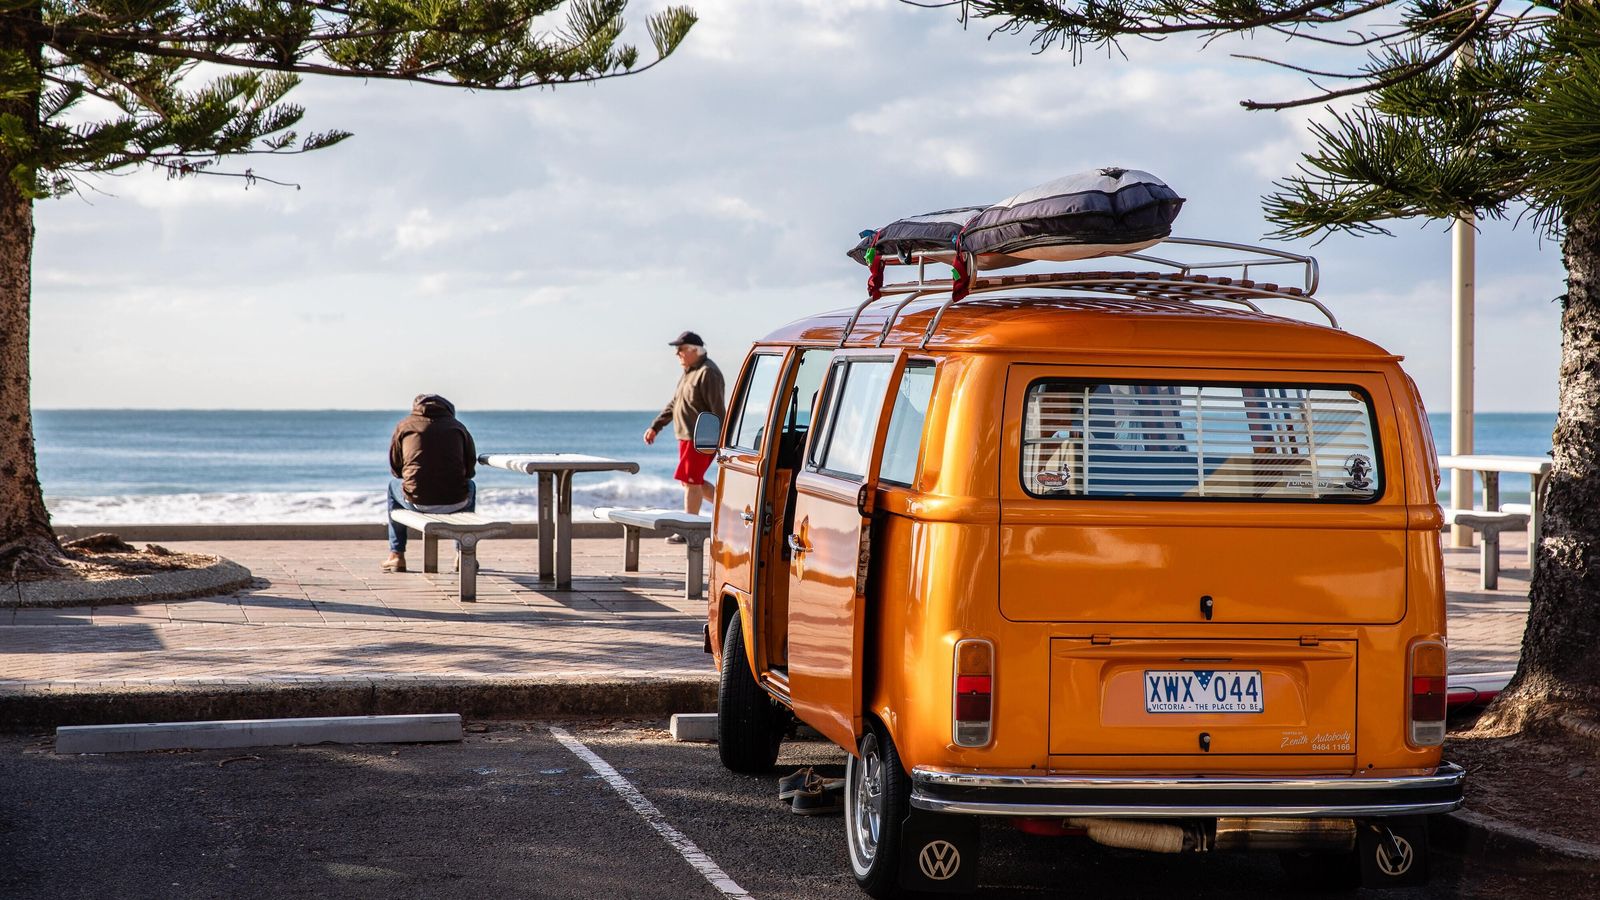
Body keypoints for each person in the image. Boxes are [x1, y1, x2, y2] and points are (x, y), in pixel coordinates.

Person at [643, 330, 725, 535]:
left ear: (694, 350)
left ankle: (688, 531)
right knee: (689, 481)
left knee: (691, 482)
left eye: (680, 349)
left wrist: (722, 439)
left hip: (701, 438)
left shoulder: (708, 372)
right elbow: (675, 403)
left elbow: (718, 409)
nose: (677, 354)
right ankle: (730, 509)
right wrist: (656, 426)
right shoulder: (690, 372)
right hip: (686, 436)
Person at [384, 394, 477, 571]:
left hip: (417, 501)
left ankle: (396, 555)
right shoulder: (458, 427)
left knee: (392, 487)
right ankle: (462, 552)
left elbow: (396, 470)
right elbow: (470, 469)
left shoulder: (404, 426)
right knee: (470, 486)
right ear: (449, 409)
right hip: (456, 502)